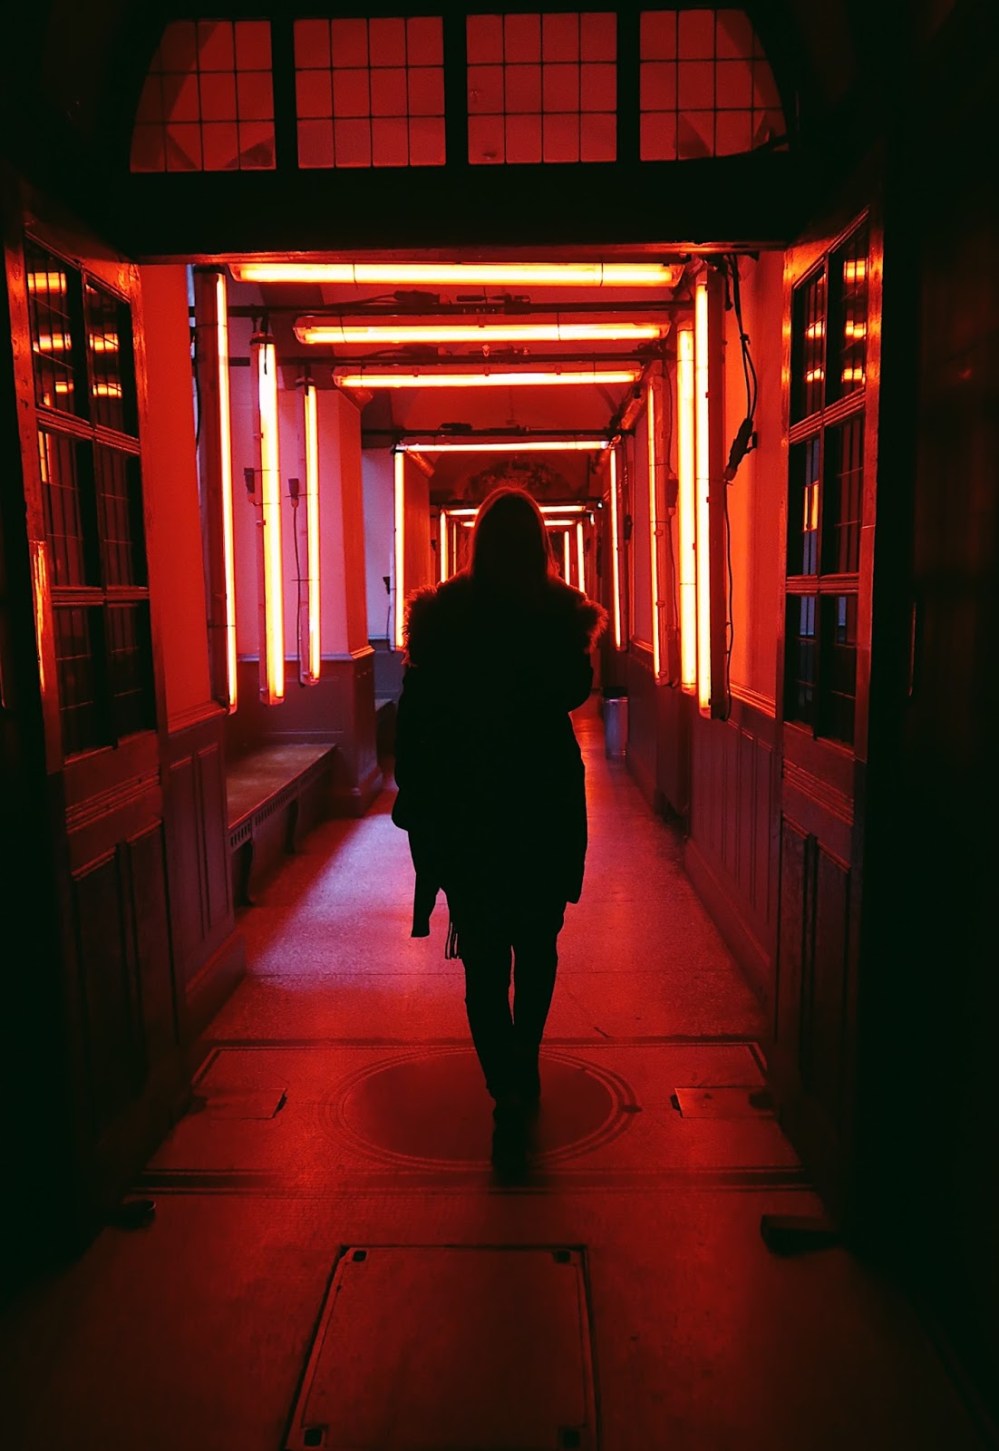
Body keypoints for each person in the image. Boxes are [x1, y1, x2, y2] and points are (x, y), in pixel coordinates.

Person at [391, 484, 607, 1169]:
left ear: (475, 543)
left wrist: (419, 804)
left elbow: (416, 719)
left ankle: (503, 1089)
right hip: (542, 807)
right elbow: (576, 688)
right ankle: (526, 1057)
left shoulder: (444, 618)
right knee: (537, 944)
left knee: (482, 958)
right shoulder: (558, 618)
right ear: (542, 543)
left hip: (470, 813)